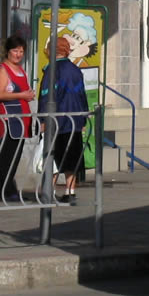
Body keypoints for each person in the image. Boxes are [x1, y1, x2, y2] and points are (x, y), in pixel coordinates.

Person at [39, 36, 89, 205]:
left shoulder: (52, 70)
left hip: (56, 120)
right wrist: (83, 118)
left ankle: (49, 190)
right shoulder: (76, 70)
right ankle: (70, 191)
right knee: (72, 157)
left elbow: (47, 96)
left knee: (52, 156)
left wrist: (43, 119)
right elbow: (82, 94)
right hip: (74, 120)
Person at [0, 35, 35, 200]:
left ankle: (10, 188)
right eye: (15, 50)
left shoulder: (21, 69)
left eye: (21, 51)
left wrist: (29, 95)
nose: (18, 54)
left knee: (16, 155)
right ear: (8, 51)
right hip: (9, 117)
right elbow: (0, 94)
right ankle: (5, 190)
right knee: (7, 155)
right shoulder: (3, 69)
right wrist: (22, 94)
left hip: (23, 117)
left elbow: (22, 90)